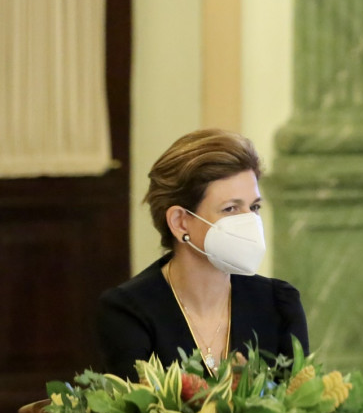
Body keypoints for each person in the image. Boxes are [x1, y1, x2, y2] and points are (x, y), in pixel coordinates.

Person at [97, 129, 308, 378]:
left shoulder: (280, 304)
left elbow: (299, 398)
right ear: (180, 222)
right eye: (230, 209)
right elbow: (136, 401)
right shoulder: (129, 313)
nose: (249, 221)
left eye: (254, 207)